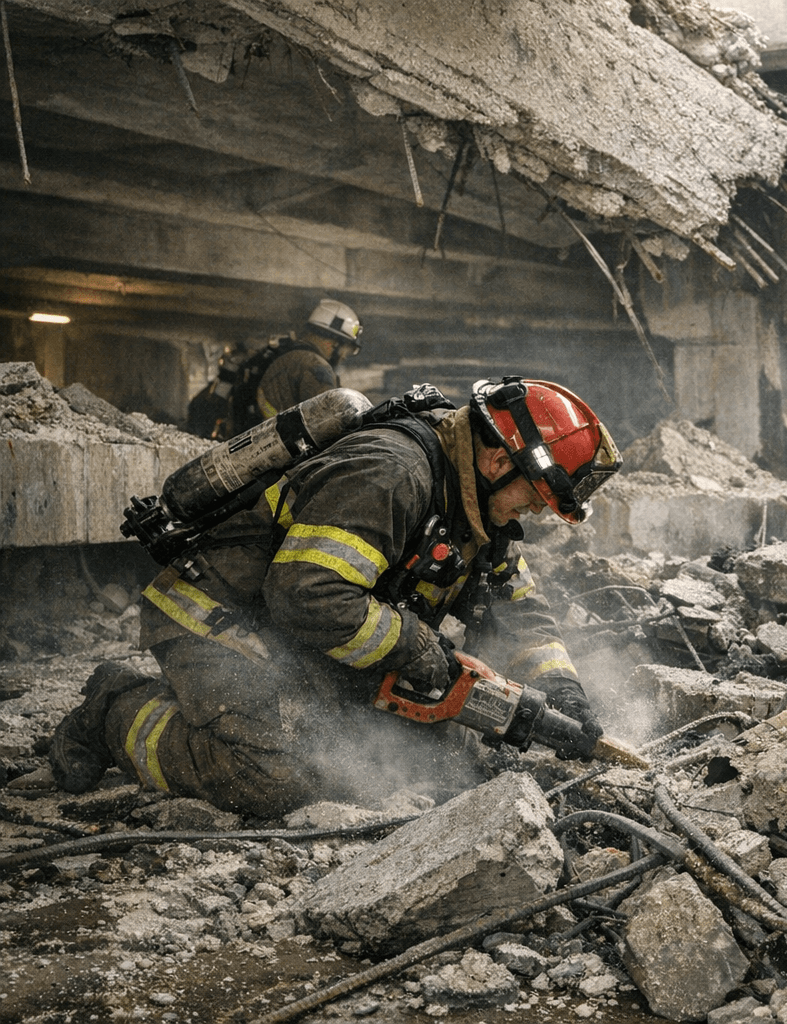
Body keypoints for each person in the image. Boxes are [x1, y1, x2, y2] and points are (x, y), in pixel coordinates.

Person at [50, 377, 622, 818]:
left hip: (304, 640)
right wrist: (417, 647)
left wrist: (564, 695)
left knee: (438, 756)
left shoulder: (480, 506)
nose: (540, 512)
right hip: (218, 619)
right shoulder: (390, 474)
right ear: (499, 461)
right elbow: (308, 596)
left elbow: (520, 614)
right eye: (539, 496)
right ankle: (114, 708)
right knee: (281, 776)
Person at [186, 298, 364, 440]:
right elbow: (329, 424)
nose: (344, 356)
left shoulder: (285, 356)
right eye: (347, 349)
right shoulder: (316, 366)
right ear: (333, 342)